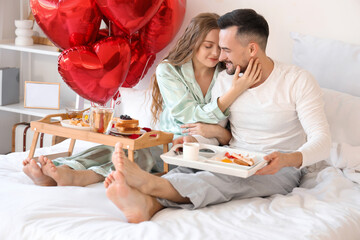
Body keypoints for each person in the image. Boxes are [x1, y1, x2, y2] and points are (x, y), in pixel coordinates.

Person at [104, 9, 331, 223]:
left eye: (226, 50)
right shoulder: (225, 81)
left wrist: (287, 159)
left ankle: (150, 185)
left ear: (252, 49)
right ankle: (147, 205)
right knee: (189, 169)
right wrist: (195, 141)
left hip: (277, 168)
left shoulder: (297, 81)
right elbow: (214, 130)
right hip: (231, 157)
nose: (220, 57)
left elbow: (322, 141)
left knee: (227, 181)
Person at [22, 12, 259, 187]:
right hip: (164, 137)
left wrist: (216, 124)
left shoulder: (226, 76)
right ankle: (64, 166)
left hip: (186, 148)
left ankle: (79, 176)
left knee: (142, 156)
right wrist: (227, 101)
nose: (216, 54)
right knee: (114, 147)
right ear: (193, 42)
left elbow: (224, 132)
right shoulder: (170, 71)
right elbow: (185, 114)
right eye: (208, 46)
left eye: (220, 48)